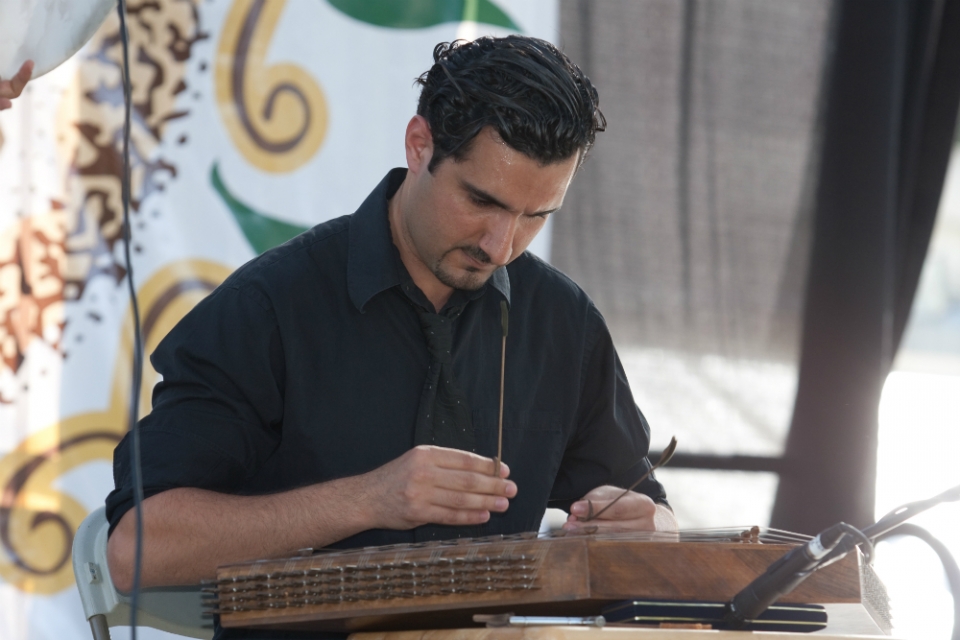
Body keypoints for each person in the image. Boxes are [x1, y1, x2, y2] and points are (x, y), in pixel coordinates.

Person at [104, 36, 677, 626]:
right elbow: (137, 551)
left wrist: (648, 527)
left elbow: (649, 510)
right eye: (482, 201)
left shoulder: (564, 322)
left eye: (535, 216)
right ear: (419, 145)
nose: (500, 245)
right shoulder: (271, 306)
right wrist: (370, 498)